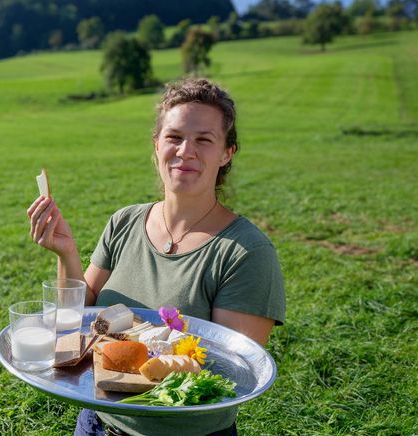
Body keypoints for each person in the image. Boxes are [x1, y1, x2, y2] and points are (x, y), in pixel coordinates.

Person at [26, 78, 285, 436]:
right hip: (98, 420)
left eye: (204, 140)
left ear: (227, 153)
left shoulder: (245, 252)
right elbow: (76, 317)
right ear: (156, 145)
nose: (185, 151)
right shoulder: (125, 222)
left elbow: (230, 374)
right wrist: (65, 252)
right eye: (174, 137)